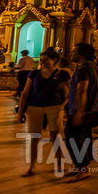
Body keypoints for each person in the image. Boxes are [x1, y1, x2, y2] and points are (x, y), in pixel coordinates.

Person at [17, 48, 70, 177]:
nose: (43, 63)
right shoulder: (34, 74)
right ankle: (32, 166)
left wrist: (61, 106)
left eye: (46, 60)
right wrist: (21, 111)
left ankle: (59, 164)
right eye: (41, 60)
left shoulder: (61, 74)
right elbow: (25, 92)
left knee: (55, 136)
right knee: (34, 137)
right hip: (34, 107)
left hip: (54, 107)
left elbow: (68, 93)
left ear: (54, 60)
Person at [65, 43, 98, 183]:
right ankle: (81, 166)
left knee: (72, 137)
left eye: (74, 50)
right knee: (84, 135)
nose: (71, 53)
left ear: (81, 53)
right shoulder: (94, 67)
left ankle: (83, 168)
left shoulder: (83, 70)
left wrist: (79, 112)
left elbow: (82, 90)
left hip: (83, 109)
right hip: (92, 108)